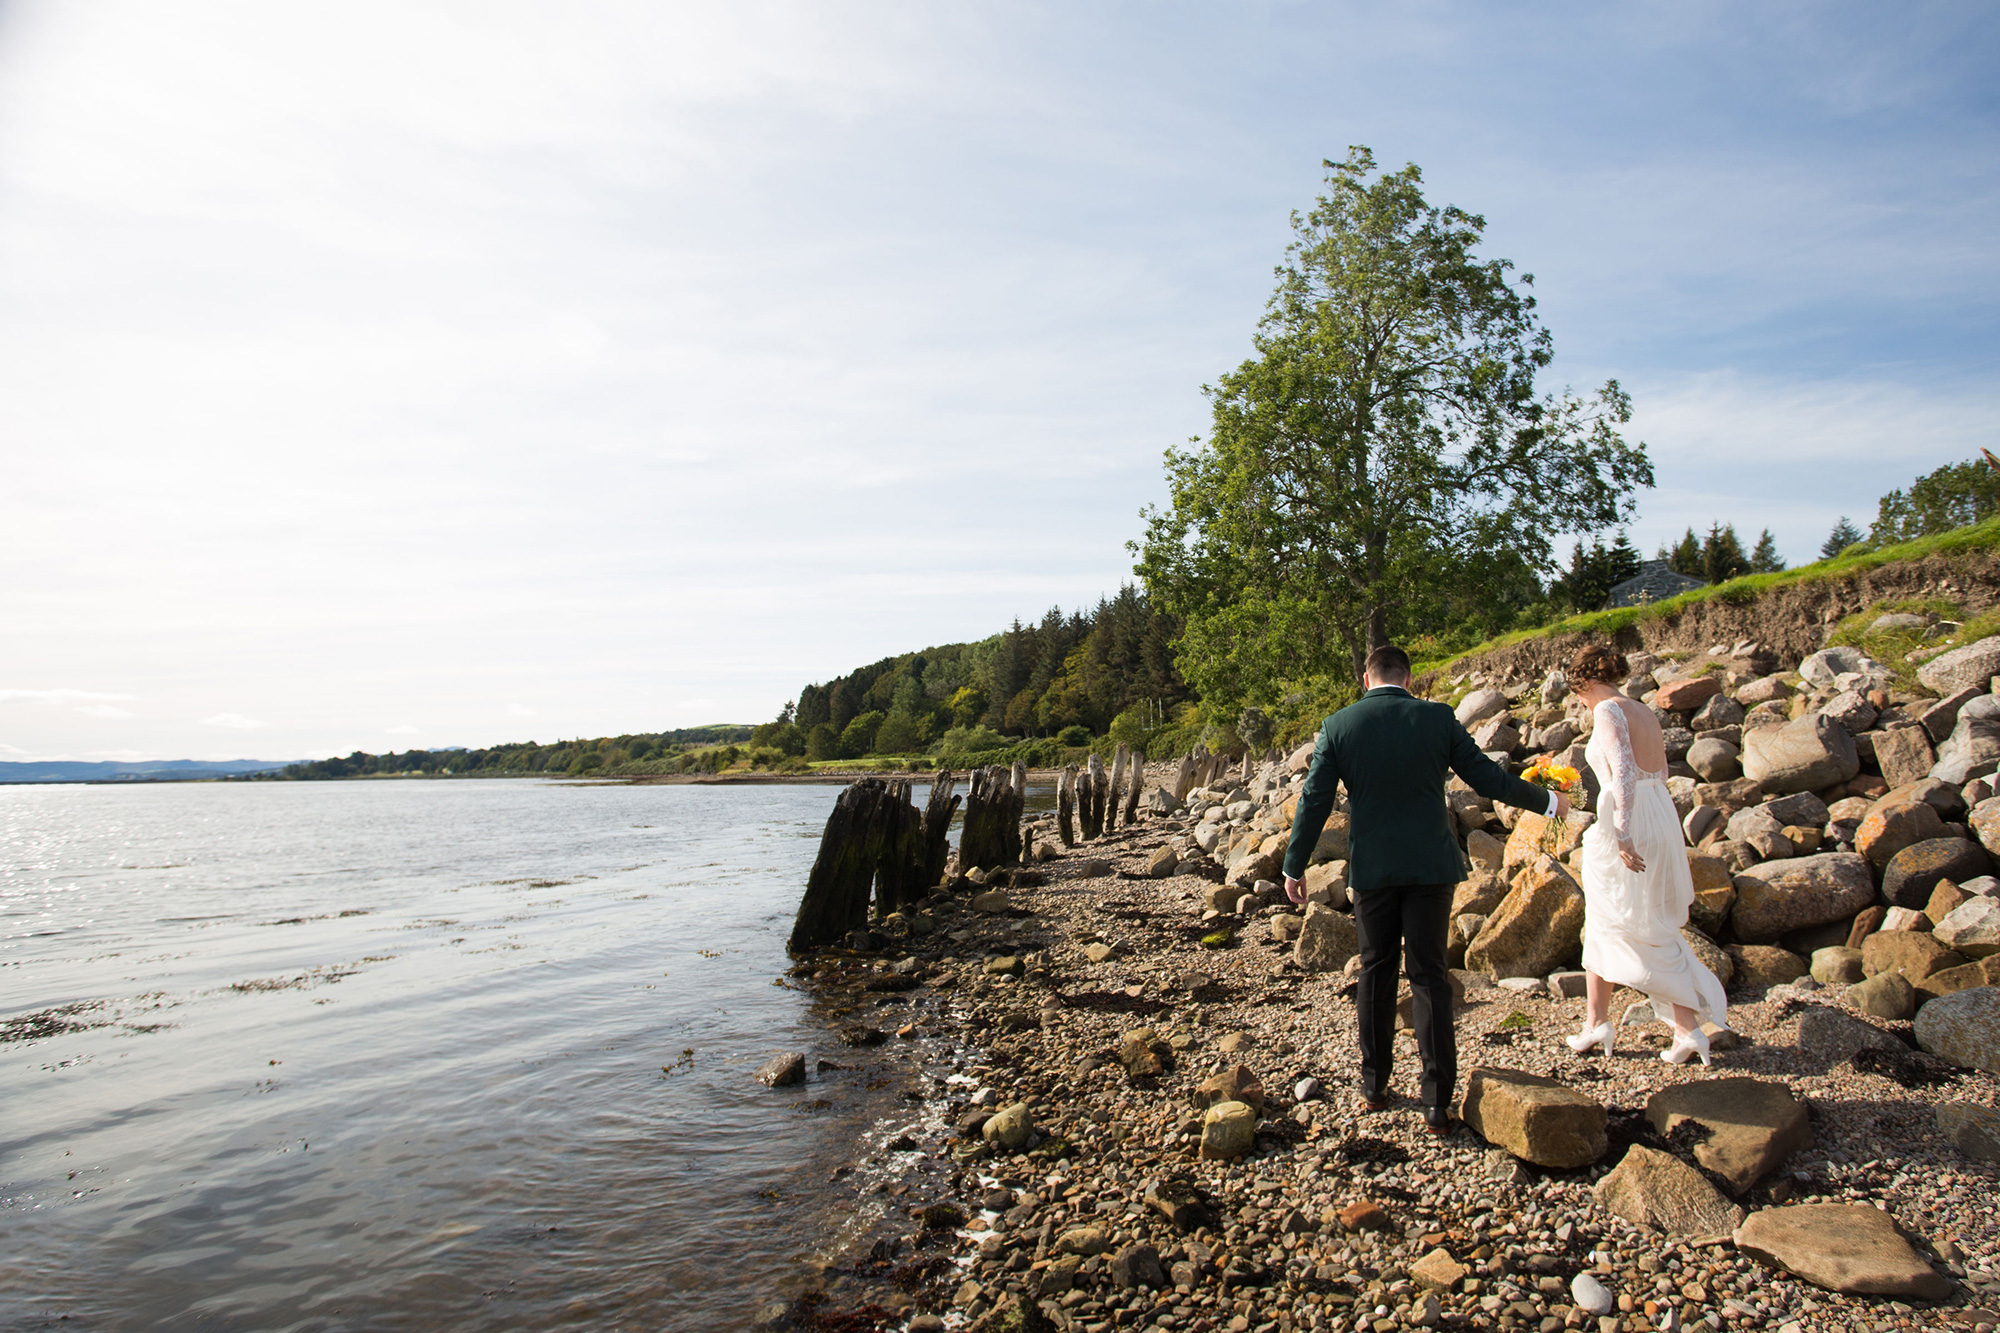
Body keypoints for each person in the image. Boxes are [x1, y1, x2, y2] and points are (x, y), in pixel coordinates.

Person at [1282, 645, 1569, 1133]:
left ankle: (1374, 1085)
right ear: (1409, 679)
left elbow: (1314, 800)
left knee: (1375, 970)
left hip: (1373, 867)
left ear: (1366, 680)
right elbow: (1488, 779)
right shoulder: (1439, 718)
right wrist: (1547, 801)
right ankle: (1437, 1101)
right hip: (1432, 865)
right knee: (1429, 975)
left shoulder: (1340, 725)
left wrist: (1295, 863)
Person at [1561, 643, 1728, 1066]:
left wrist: (1621, 834)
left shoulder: (1607, 711)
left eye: (1577, 691)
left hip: (1627, 820)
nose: (1579, 701)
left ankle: (1609, 1025)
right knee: (1644, 921)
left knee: (1614, 920)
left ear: (1585, 682)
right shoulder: (1643, 709)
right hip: (1660, 815)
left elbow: (1623, 774)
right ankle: (1672, 1029)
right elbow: (1662, 772)